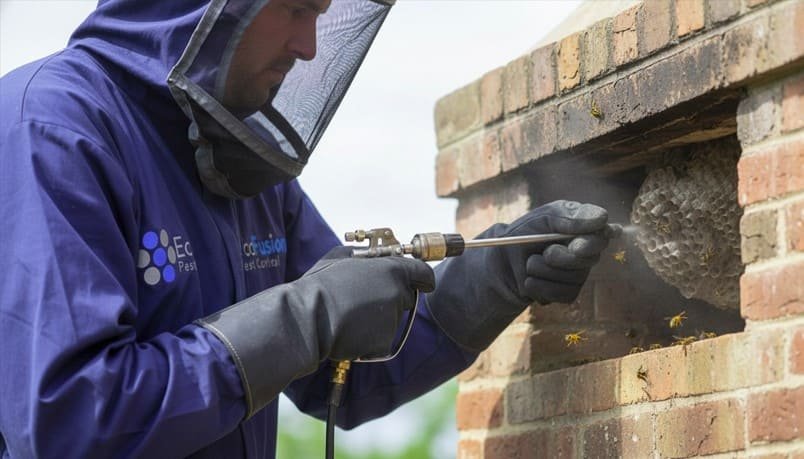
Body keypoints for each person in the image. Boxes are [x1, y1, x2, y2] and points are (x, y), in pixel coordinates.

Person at [0, 0, 612, 457]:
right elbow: (68, 422)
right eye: (295, 8)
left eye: (319, 13)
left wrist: (498, 276)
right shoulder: (54, 131)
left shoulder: (243, 168)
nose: (310, 46)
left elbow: (348, 371)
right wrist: (300, 320)